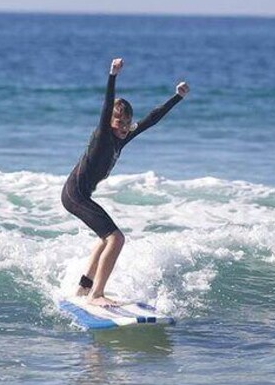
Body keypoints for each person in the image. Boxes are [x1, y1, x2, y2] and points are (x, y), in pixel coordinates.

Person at [61, 57, 189, 306]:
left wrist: (177, 97)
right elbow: (107, 104)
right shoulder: (102, 136)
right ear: (110, 121)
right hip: (74, 194)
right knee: (116, 239)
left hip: (80, 195)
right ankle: (97, 295)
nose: (123, 126)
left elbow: (151, 119)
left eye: (126, 123)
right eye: (118, 122)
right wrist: (112, 75)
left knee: (105, 239)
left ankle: (83, 289)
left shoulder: (122, 137)